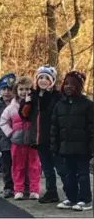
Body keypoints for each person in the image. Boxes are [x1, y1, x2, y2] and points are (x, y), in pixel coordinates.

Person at [19, 66, 66, 203]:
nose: (43, 81)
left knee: (61, 167)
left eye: (47, 78)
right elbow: (24, 115)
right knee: (46, 167)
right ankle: (51, 192)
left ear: (52, 81)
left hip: (54, 138)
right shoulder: (33, 96)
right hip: (39, 138)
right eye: (41, 78)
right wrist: (27, 102)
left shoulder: (57, 97)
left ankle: (71, 192)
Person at [50, 71, 94, 211]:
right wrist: (54, 147)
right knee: (69, 175)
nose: (69, 87)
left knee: (83, 175)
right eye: (66, 83)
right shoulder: (59, 105)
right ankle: (71, 198)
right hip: (65, 148)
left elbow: (92, 128)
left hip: (83, 149)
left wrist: (91, 148)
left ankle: (85, 199)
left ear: (79, 86)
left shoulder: (87, 105)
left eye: (72, 84)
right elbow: (54, 128)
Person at [0, 77, 41, 200]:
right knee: (18, 166)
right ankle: (19, 189)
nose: (24, 92)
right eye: (21, 89)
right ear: (16, 91)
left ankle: (34, 190)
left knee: (34, 166)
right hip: (17, 141)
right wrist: (11, 133)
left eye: (27, 89)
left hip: (33, 141)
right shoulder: (12, 107)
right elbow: (3, 121)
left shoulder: (35, 105)